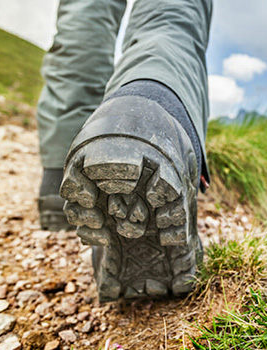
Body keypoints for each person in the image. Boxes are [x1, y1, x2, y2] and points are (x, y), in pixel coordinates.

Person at [36, 0, 212, 302]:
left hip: (65, 142)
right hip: (160, 114)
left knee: (87, 8)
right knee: (170, 10)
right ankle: (153, 103)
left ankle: (58, 176)